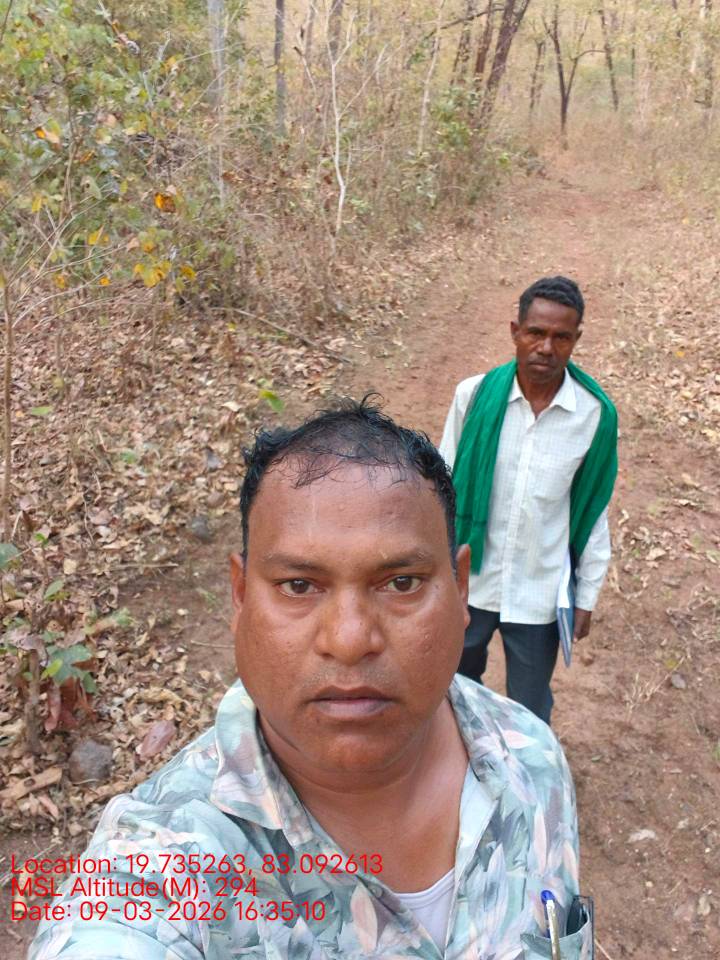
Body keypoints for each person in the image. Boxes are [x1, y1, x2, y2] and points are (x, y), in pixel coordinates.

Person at [29, 399, 591, 960]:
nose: (349, 639)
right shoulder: (159, 865)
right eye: (299, 586)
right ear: (240, 596)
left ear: (461, 589)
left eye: (401, 583)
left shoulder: (532, 758)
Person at [439, 275, 618, 726]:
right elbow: (440, 485)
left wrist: (587, 596)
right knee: (455, 690)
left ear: (576, 340)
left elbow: (593, 512)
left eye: (561, 337)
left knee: (531, 709)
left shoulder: (593, 416)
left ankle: (526, 767)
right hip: (470, 581)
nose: (546, 348)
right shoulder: (473, 396)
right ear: (515, 331)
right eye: (535, 333)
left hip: (539, 591)